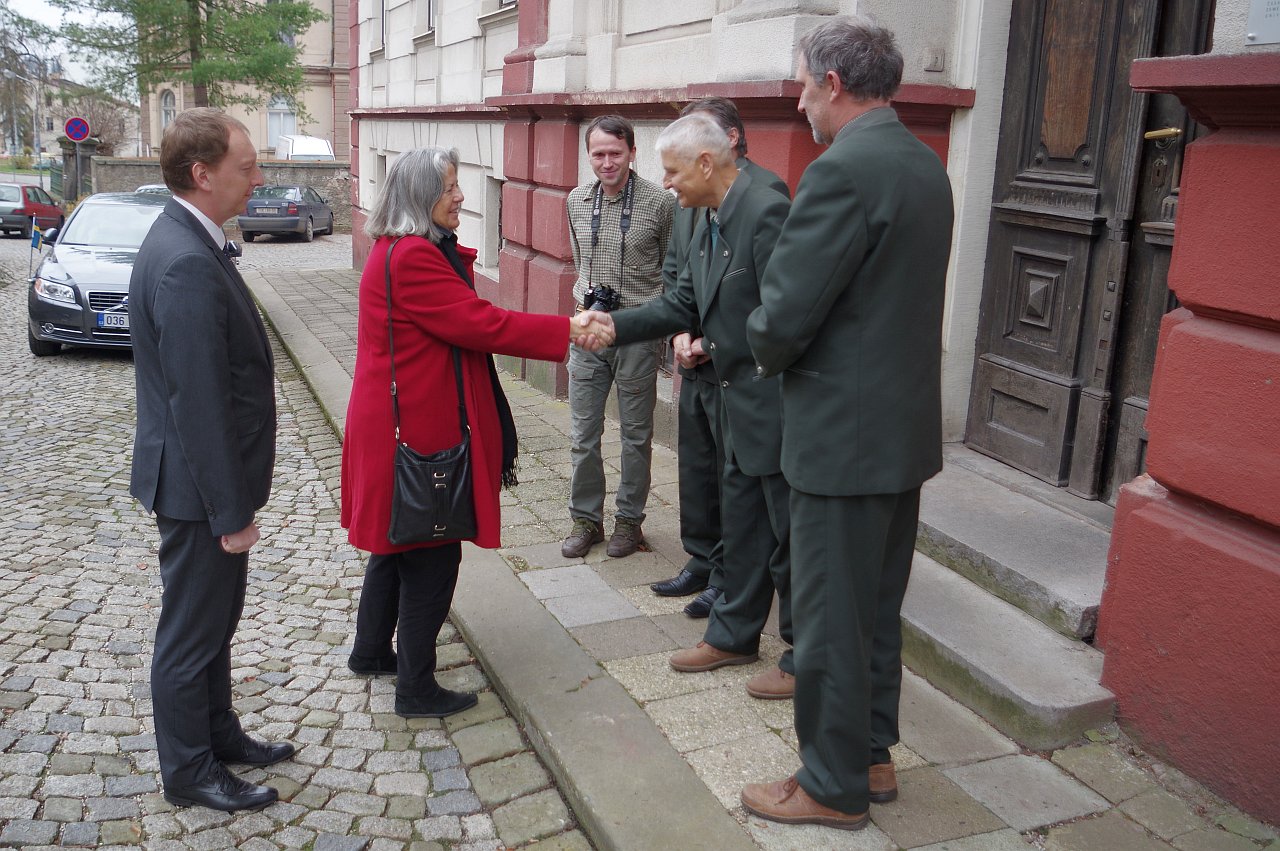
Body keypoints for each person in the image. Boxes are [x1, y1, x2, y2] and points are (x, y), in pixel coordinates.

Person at [738, 18, 955, 829]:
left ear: (833, 84)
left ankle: (832, 786)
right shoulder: (924, 163)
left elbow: (784, 316)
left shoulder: (841, 171)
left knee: (831, 617)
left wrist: (752, 339)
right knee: (874, 608)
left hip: (840, 438)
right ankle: (870, 753)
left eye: (803, 86)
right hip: (900, 435)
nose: (799, 104)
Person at [341, 147, 611, 719]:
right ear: (421, 198)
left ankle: (371, 651)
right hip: (416, 429)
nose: (460, 196)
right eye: (449, 188)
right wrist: (567, 328)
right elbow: (481, 323)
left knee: (396, 542)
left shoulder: (400, 247)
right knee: (432, 555)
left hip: (396, 422)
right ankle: (416, 689)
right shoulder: (413, 256)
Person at [578, 112, 795, 700]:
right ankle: (733, 635)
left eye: (673, 171)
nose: (666, 183)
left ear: (706, 162)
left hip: (768, 403)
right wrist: (613, 325)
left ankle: (804, 657)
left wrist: (713, 344)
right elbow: (681, 300)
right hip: (729, 398)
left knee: (788, 538)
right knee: (743, 527)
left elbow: (786, 315)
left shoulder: (765, 208)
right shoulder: (702, 213)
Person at [130, 108, 293, 813]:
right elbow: (197, 403)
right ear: (202, 174)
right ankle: (189, 769)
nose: (258, 179)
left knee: (214, 623)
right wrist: (230, 512)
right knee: (191, 634)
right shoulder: (187, 261)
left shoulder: (190, 238)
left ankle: (217, 732)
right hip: (197, 490)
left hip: (202, 484)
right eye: (246, 167)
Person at [648, 96, 790, 619]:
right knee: (698, 468)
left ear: (725, 141)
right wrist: (680, 333)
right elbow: (678, 270)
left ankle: (730, 577)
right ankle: (702, 560)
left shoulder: (764, 194)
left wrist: (712, 343)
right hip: (694, 354)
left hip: (734, 364)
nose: (669, 181)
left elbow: (766, 299)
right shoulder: (692, 196)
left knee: (737, 479)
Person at [560, 115, 674, 560]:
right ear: (588, 155)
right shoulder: (575, 200)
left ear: (632, 152)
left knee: (636, 434)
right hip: (587, 328)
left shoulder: (660, 203)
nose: (606, 162)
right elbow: (580, 260)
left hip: (637, 331)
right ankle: (586, 520)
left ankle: (629, 521)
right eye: (598, 154)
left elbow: (671, 270)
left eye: (615, 153)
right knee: (583, 432)